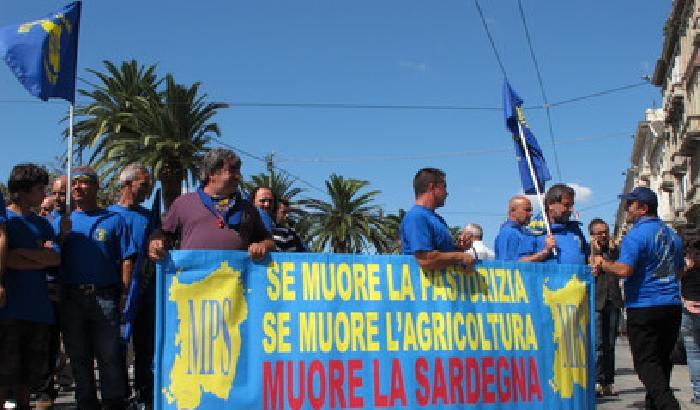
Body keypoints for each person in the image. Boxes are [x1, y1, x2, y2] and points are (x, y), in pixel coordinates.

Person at [591, 186, 684, 410]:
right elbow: (679, 271)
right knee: (662, 363)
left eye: (630, 205)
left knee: (646, 364)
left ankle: (669, 405)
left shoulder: (636, 235)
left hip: (644, 306)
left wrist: (602, 263)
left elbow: (624, 270)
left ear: (643, 208)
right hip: (671, 305)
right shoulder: (672, 235)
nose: (626, 209)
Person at [53, 166, 135, 410]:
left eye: (83, 182)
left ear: (96, 187)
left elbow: (126, 259)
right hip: (71, 297)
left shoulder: (113, 220)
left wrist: (123, 293)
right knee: (78, 356)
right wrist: (61, 236)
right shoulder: (62, 221)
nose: (77, 187)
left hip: (104, 297)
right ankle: (86, 402)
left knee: (108, 356)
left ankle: (113, 401)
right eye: (74, 184)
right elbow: (51, 255)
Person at [0, 164, 59, 410]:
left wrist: (22, 253)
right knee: (4, 376)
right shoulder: (6, 221)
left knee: (29, 378)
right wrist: (37, 256)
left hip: (38, 311)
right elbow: (7, 259)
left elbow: (55, 258)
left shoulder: (42, 223)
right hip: (9, 310)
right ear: (22, 191)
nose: (43, 194)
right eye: (39, 189)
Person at [148, 148, 274, 261]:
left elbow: (268, 241)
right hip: (194, 283)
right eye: (232, 171)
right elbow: (163, 233)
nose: (238, 176)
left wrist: (263, 246)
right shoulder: (183, 203)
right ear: (212, 173)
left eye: (238, 172)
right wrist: (156, 243)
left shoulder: (248, 208)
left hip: (235, 284)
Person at [106, 163, 154, 408]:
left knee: (145, 349)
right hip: (115, 293)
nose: (148, 190)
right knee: (116, 350)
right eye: (143, 184)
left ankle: (146, 396)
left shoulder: (150, 219)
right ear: (127, 184)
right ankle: (120, 397)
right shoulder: (108, 216)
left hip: (147, 293)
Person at [400, 167, 474, 270]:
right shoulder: (416, 216)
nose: (447, 193)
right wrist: (460, 256)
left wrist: (459, 249)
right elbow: (425, 259)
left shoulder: (438, 219)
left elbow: (442, 256)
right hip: (421, 285)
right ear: (432, 187)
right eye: (444, 187)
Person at [588, 218, 623, 397]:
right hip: (596, 301)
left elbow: (622, 264)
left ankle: (608, 382)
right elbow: (589, 268)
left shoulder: (613, 250)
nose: (603, 235)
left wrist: (611, 249)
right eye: (599, 232)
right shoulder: (588, 249)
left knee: (610, 344)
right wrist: (594, 250)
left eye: (605, 231)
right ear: (592, 234)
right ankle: (596, 381)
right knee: (598, 344)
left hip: (613, 301)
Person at [521, 184, 587, 264]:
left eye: (572, 205)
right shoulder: (532, 231)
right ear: (550, 204)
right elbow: (520, 263)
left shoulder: (574, 229)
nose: (571, 210)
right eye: (566, 205)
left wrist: (594, 261)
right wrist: (545, 252)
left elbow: (587, 256)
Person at [680, 232, 700, 405]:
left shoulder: (684, 265)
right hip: (690, 309)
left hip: (690, 309)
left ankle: (699, 394)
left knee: (694, 355)